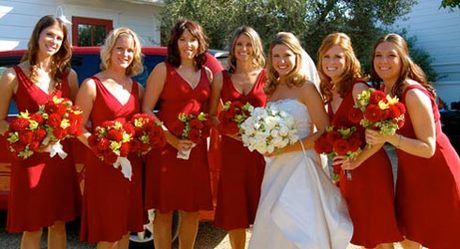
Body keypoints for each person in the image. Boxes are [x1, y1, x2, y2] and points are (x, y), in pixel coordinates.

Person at [248, 32, 352, 249]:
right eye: (276, 56)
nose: (281, 61)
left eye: (287, 54)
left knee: (300, 223)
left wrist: (285, 149)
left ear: (297, 56)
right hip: (275, 167)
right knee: (271, 218)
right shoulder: (272, 89)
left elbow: (325, 131)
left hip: (301, 166)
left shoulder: (306, 88)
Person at [366, 33, 460, 249]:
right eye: (378, 55)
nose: (383, 61)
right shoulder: (384, 91)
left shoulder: (412, 93)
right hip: (411, 174)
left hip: (437, 173)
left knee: (445, 238)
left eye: (391, 55)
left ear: (403, 59)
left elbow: (428, 148)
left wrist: (389, 136)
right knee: (411, 236)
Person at [0, 15, 79, 249]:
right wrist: (25, 139)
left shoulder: (68, 76)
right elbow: (0, 121)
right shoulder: (13, 75)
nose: (53, 41)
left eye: (59, 37)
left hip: (59, 160)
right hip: (30, 160)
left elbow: (74, 117)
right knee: (32, 225)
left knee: (58, 223)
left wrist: (62, 132)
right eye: (49, 35)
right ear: (37, 35)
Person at [317, 32, 402, 249]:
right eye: (327, 56)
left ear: (348, 60)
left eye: (338, 57)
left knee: (379, 234)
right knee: (365, 233)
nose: (331, 62)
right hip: (350, 168)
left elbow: (381, 134)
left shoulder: (358, 88)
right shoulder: (329, 89)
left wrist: (358, 159)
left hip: (370, 166)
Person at [142, 19, 213, 249]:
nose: (187, 44)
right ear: (174, 42)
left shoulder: (208, 74)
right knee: (164, 212)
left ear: (200, 43)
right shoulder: (163, 70)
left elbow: (209, 115)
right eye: (182, 39)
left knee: (192, 212)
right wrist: (172, 140)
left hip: (195, 152)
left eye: (192, 39)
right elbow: (146, 110)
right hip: (165, 149)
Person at [76, 27, 145, 249]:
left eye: (129, 50)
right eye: (120, 48)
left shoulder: (138, 88)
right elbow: (77, 128)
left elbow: (141, 126)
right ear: (109, 50)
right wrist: (103, 148)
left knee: (124, 228)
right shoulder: (91, 85)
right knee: (108, 232)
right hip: (103, 166)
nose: (125, 54)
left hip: (130, 166)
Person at [208, 26, 266, 249]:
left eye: (249, 44)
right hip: (232, 154)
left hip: (261, 153)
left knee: (263, 210)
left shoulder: (267, 76)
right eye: (239, 44)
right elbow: (212, 115)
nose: (244, 49)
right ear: (233, 47)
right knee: (236, 215)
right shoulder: (221, 78)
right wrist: (227, 131)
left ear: (256, 47)